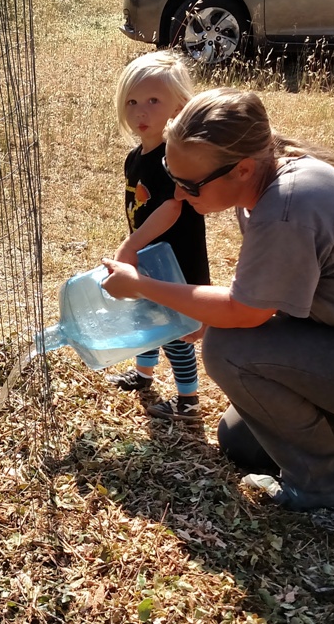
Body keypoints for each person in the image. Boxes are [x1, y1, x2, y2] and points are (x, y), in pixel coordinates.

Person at [100, 88, 334, 512]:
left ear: (241, 169)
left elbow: (244, 312)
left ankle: (326, 486)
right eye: (171, 175)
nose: (179, 195)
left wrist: (142, 286)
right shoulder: (270, 177)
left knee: (229, 347)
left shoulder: (286, 208)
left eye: (188, 184)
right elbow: (268, 295)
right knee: (242, 442)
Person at [103, 50, 211, 422]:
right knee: (144, 318)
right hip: (150, 256)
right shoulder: (136, 158)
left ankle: (189, 399)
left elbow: (171, 208)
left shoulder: (172, 156)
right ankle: (144, 375)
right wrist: (136, 244)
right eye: (131, 102)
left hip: (176, 261)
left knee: (173, 331)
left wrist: (131, 244)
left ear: (179, 106)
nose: (140, 112)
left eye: (153, 101)